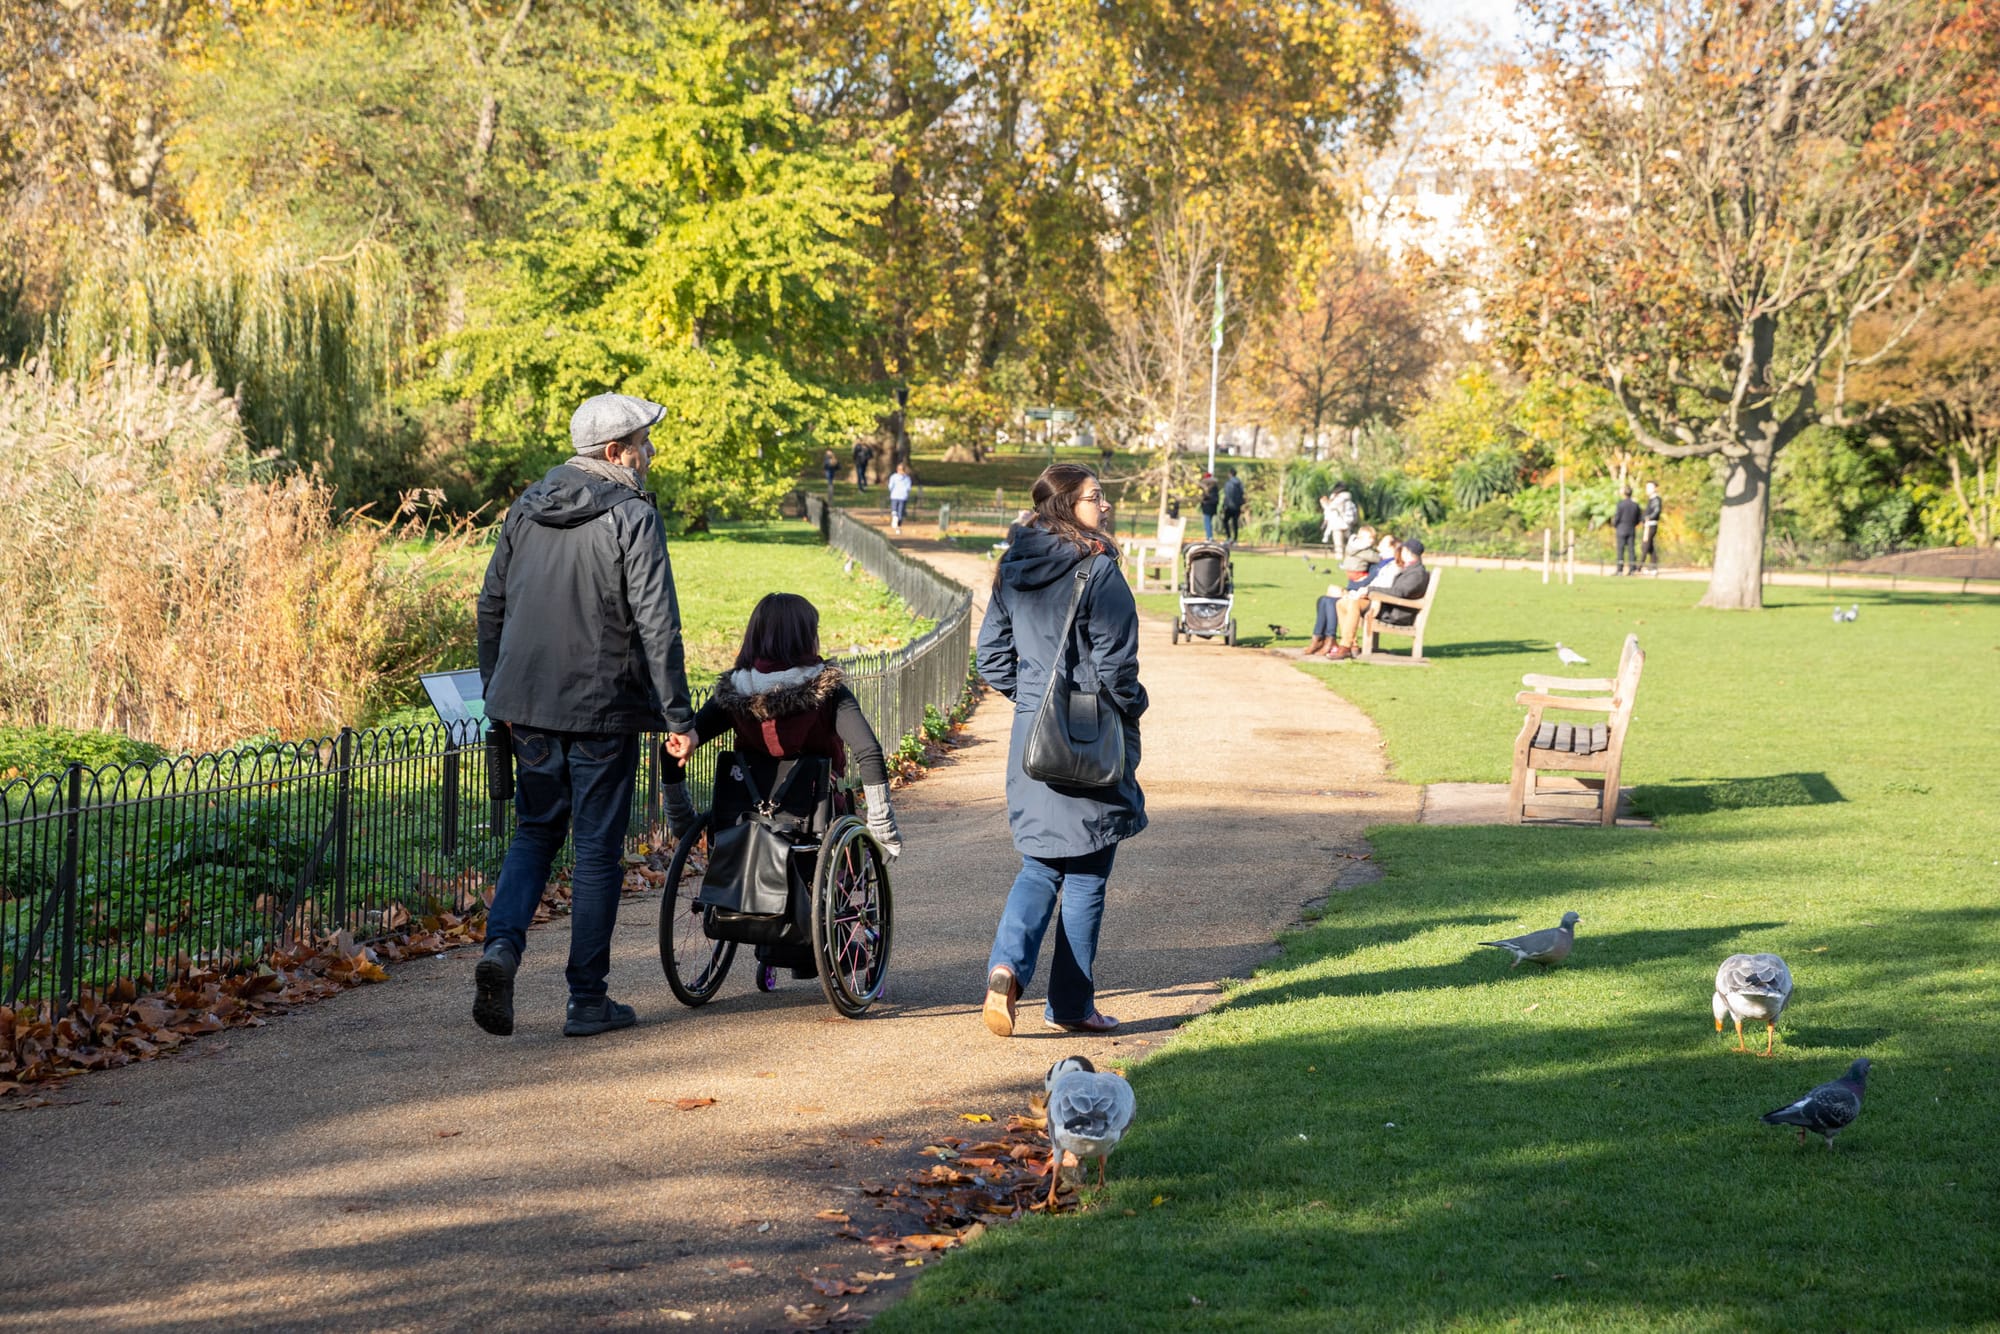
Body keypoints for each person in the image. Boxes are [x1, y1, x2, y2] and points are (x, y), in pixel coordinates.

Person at [473, 392, 697, 1039]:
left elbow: (490, 605)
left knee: (535, 833)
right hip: (602, 708)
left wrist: (499, 695)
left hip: (529, 708)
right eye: (642, 444)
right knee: (597, 851)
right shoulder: (631, 514)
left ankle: (502, 947)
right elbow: (659, 624)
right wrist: (677, 716)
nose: (649, 454)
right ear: (613, 452)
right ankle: (586, 999)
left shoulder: (527, 507)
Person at [976, 464, 1147, 1038]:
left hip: (1032, 736)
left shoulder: (1012, 567)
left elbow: (992, 658)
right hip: (1089, 732)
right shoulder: (1099, 569)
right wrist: (1132, 705)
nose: (1106, 506)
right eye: (1096, 497)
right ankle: (1072, 1005)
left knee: (1040, 864)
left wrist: (1033, 700)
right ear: (1066, 505)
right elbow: (1119, 667)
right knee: (1089, 871)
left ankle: (1005, 968)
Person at [657, 593, 903, 979]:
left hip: (743, 824)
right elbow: (868, 752)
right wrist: (883, 829)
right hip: (815, 818)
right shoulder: (826, 690)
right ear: (807, 638)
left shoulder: (734, 694)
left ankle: (772, 943)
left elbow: (674, 748)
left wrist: (683, 822)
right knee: (840, 832)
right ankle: (836, 948)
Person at [1326, 537, 1429, 661]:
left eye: (1403, 550)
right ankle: (1352, 646)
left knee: (1354, 603)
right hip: (1388, 606)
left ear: (1407, 552)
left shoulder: (1417, 573)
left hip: (1397, 613)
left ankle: (1345, 646)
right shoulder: (1411, 569)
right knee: (1342, 603)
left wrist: (1370, 591)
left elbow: (1399, 592)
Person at [1612, 486, 1643, 575]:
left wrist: (1615, 524)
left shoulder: (1620, 504)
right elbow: (1638, 518)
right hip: (1631, 529)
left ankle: (1620, 570)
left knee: (1620, 550)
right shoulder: (1635, 505)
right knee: (1631, 550)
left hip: (1621, 529)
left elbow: (1617, 517)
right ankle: (1632, 569)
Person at [1325, 486, 1358, 551]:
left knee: (1338, 546)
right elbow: (1355, 513)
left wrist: (1330, 499)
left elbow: (1328, 508)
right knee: (1349, 546)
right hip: (1348, 524)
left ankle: (1339, 559)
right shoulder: (1350, 501)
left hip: (1338, 525)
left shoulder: (1337, 500)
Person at [1641, 481, 1663, 571]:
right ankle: (1653, 567)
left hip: (1651, 524)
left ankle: (1639, 566)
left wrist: (1648, 518)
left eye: (1649, 487)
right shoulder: (1651, 499)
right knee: (1650, 546)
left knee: (1645, 545)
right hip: (1648, 524)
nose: (1647, 489)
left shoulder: (1656, 499)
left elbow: (1656, 511)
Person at [887, 461, 915, 533]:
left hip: (894, 495)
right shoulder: (907, 478)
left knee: (894, 509)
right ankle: (898, 527)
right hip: (903, 496)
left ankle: (894, 517)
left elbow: (890, 486)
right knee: (900, 512)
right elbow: (908, 488)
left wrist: (892, 491)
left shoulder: (893, 477)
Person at [1220, 468, 1245, 544]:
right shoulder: (1239, 483)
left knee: (1225, 521)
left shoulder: (1229, 483)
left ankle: (1229, 537)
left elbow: (1227, 495)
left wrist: (1224, 505)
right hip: (1237, 506)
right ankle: (1235, 539)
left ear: (1230, 474)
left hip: (1230, 506)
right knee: (1235, 522)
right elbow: (1242, 494)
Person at [1197, 472, 1219, 541]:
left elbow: (1206, 498)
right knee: (1209, 522)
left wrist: (1204, 500)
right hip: (1211, 508)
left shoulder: (1207, 488)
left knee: (1207, 523)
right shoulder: (1214, 487)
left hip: (1207, 507)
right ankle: (1210, 536)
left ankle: (1209, 536)